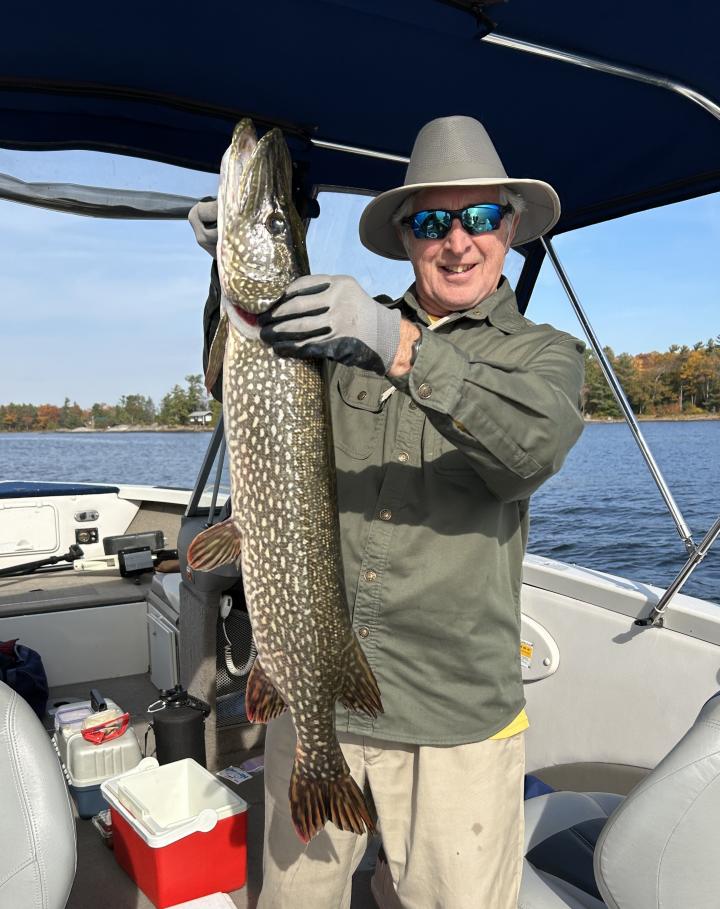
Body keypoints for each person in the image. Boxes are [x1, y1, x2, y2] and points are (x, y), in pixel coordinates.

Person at [189, 115, 585, 909]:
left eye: (479, 218)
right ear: (408, 235)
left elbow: (531, 447)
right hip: (320, 690)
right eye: (434, 220)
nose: (458, 241)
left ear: (509, 227)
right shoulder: (336, 326)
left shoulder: (543, 355)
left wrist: (396, 341)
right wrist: (225, 273)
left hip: (454, 718)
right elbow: (240, 368)